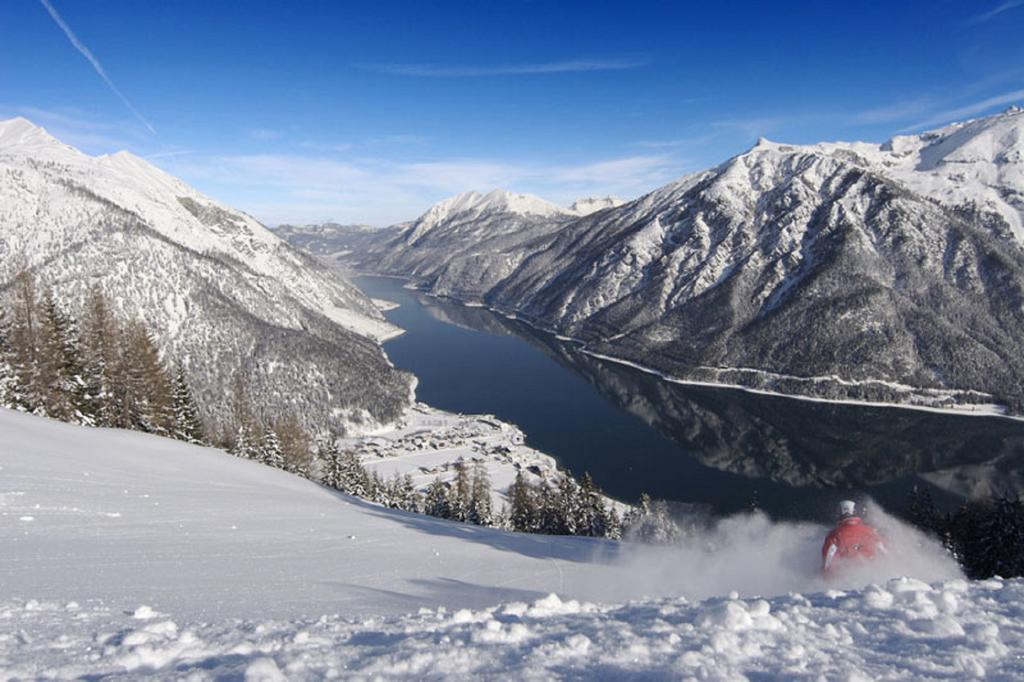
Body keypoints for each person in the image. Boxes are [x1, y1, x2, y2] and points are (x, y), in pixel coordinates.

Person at [821, 500, 886, 573]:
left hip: (846, 574)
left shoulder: (834, 535)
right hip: (871, 572)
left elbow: (829, 556)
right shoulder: (871, 531)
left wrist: (825, 574)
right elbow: (883, 550)